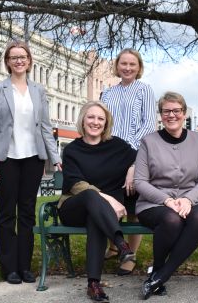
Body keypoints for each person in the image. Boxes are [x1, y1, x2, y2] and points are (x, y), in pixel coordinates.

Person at [0, 40, 61, 284]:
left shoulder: (39, 90)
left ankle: (25, 267)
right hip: (6, 159)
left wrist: (56, 157)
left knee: (27, 212)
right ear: (7, 62)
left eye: (23, 57)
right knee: (7, 213)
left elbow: (46, 127)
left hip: (32, 158)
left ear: (29, 61)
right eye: (14, 57)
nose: (19, 60)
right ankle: (10, 269)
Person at [134, 91, 198, 299]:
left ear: (184, 113)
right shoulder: (148, 142)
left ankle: (160, 276)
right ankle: (159, 270)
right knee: (172, 220)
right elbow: (140, 181)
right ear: (160, 115)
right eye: (166, 111)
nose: (171, 115)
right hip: (153, 203)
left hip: (189, 199)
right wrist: (166, 200)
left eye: (176, 110)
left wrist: (188, 199)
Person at [58, 101, 137, 302]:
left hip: (101, 214)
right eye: (91, 117)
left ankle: (93, 284)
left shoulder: (118, 146)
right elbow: (76, 185)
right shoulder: (72, 150)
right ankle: (121, 244)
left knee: (96, 217)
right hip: (74, 206)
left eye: (100, 118)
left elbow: (142, 157)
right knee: (92, 196)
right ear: (83, 120)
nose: (95, 122)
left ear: (106, 122)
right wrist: (110, 199)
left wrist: (132, 168)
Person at [100, 48, 156, 275]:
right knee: (109, 202)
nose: (127, 68)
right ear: (117, 66)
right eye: (123, 63)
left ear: (139, 67)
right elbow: (102, 124)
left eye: (132, 64)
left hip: (135, 153)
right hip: (109, 154)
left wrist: (127, 150)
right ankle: (114, 245)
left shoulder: (144, 90)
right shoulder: (107, 94)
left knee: (132, 207)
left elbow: (149, 124)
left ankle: (130, 256)